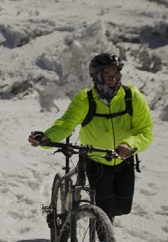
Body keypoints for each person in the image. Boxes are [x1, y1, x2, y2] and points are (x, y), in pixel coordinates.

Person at [28, 52, 154, 223]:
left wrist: (129, 144)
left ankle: (105, 236)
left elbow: (145, 131)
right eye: (107, 74)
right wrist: (46, 137)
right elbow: (65, 125)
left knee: (123, 208)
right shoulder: (85, 99)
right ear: (96, 76)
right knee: (103, 211)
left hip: (123, 159)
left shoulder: (131, 97)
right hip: (96, 159)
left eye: (116, 74)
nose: (113, 78)